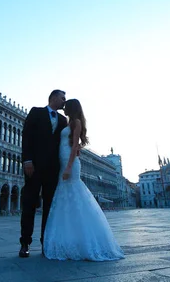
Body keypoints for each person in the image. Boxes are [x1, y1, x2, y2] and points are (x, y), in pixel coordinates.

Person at [43, 99, 124, 261]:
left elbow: (74, 146)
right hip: (64, 160)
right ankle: (71, 239)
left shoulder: (76, 122)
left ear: (72, 108)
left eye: (66, 107)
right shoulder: (70, 122)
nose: (63, 109)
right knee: (67, 199)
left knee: (73, 194)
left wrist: (68, 167)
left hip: (69, 163)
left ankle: (84, 241)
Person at [19, 89, 68, 258]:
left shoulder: (63, 120)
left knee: (49, 206)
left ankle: (45, 243)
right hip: (34, 166)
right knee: (29, 203)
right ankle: (25, 243)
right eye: (62, 98)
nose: (64, 101)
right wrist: (27, 160)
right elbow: (26, 136)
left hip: (53, 169)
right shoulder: (36, 112)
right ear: (53, 98)